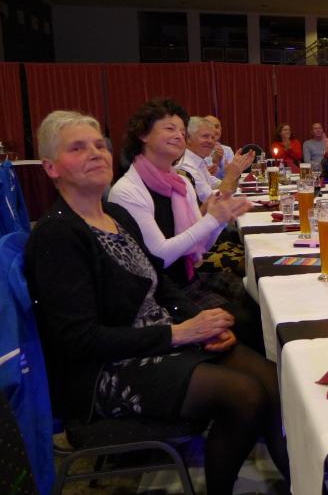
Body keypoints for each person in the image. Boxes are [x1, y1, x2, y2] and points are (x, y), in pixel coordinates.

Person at [26, 110, 289, 493]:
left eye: (99, 145)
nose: (95, 153)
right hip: (105, 371)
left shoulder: (114, 214)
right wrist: (180, 333)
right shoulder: (58, 235)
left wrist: (204, 323)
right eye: (77, 148)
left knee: (272, 380)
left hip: (158, 339)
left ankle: (301, 483)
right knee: (244, 395)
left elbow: (159, 281)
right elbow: (79, 340)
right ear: (51, 167)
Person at [108, 99, 254, 317]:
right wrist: (213, 219)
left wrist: (219, 218)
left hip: (190, 277)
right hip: (159, 296)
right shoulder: (128, 190)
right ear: (143, 134)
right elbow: (160, 257)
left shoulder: (180, 182)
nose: (178, 135)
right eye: (170, 128)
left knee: (256, 300)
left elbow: (201, 246)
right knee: (247, 320)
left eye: (182, 131)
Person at [176, 116, 253, 202]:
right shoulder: (185, 166)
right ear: (188, 138)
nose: (210, 141)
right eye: (205, 136)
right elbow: (214, 202)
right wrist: (230, 175)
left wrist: (236, 171)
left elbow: (228, 190)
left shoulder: (199, 163)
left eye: (213, 138)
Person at [203, 115, 234, 179]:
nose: (214, 130)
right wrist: (215, 163)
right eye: (210, 127)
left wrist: (220, 163)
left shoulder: (227, 150)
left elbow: (232, 177)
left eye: (217, 127)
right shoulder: (197, 150)